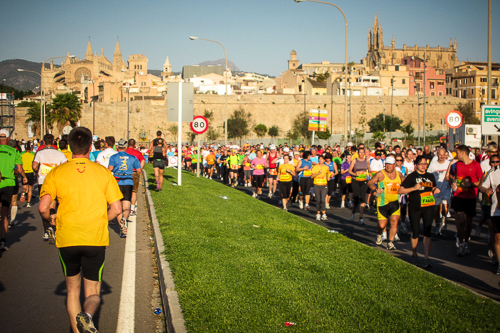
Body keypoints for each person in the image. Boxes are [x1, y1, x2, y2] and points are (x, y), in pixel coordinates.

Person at [39, 127, 122, 333]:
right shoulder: (102, 172)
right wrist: (103, 221)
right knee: (93, 292)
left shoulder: (57, 172)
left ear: (68, 146)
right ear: (91, 146)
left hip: (68, 238)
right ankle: (88, 316)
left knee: (72, 291)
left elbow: (42, 207)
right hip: (95, 237)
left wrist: (51, 221)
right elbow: (117, 208)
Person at [399, 155, 440, 268]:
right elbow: (400, 190)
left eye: (425, 164)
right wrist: (413, 189)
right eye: (421, 164)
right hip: (415, 207)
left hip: (428, 207)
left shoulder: (430, 176)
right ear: (416, 165)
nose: (424, 166)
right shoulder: (412, 177)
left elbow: (431, 187)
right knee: (415, 232)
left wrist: (435, 189)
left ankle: (426, 258)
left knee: (427, 233)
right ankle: (414, 253)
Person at [446, 145, 483, 256]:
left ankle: (466, 242)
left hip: (470, 197)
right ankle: (461, 243)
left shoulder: (476, 165)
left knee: (469, 222)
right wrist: (452, 183)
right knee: (460, 221)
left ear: (463, 152)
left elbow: (480, 182)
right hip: (458, 196)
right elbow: (452, 178)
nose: (456, 155)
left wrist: (471, 184)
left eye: (457, 153)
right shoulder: (457, 165)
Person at [33, 133, 68, 243]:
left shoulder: (39, 153)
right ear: (54, 142)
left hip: (43, 181)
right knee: (54, 204)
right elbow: (66, 166)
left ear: (43, 142)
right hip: (56, 182)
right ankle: (55, 227)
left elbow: (34, 166)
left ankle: (46, 230)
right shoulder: (59, 154)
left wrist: (38, 172)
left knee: (44, 205)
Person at [368, 156, 404, 250]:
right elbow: (370, 182)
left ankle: (390, 242)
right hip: (382, 203)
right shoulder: (380, 174)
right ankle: (379, 234)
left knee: (394, 223)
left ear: (394, 165)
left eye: (390, 164)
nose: (388, 166)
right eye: (387, 164)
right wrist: (375, 189)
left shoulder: (399, 174)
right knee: (382, 225)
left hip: (395, 203)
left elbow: (405, 183)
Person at [108, 139, 141, 238]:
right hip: (128, 182)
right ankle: (125, 219)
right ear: (126, 147)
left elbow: (110, 169)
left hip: (117, 182)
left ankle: (122, 228)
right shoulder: (133, 157)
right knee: (126, 206)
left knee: (118, 206)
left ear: (117, 147)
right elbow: (139, 170)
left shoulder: (113, 157)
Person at [0, 129, 27, 250]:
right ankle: (3, 240)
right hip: (9, 182)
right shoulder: (14, 151)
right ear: (8, 139)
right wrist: (24, 179)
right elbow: (20, 169)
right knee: (4, 213)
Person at [479, 155, 500, 275]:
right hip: (496, 209)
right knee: (497, 237)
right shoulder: (492, 173)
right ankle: (498, 260)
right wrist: (486, 190)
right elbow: (482, 187)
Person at [427, 148, 452, 235]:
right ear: (437, 154)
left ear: (446, 155)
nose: (442, 157)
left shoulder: (449, 163)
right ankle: (438, 225)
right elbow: (428, 176)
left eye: (443, 155)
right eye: (440, 155)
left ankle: (444, 220)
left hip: (446, 188)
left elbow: (453, 175)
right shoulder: (433, 165)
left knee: (445, 208)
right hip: (436, 189)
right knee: (436, 209)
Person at [348, 146, 371, 224]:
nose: (361, 154)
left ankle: (361, 218)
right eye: (360, 152)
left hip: (364, 181)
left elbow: (369, 169)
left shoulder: (367, 161)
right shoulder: (355, 160)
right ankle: (353, 212)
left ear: (364, 153)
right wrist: (355, 174)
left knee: (363, 199)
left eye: (362, 152)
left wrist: (369, 174)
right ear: (358, 153)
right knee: (357, 199)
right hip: (355, 181)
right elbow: (349, 171)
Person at [125, 139, 146, 216]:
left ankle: (123, 208)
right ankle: (132, 209)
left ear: (127, 144)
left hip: (124, 172)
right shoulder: (137, 153)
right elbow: (143, 160)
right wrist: (140, 169)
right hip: (134, 172)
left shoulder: (124, 152)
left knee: (125, 190)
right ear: (134, 145)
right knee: (134, 191)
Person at [311, 155, 330, 221]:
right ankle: (318, 214)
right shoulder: (315, 167)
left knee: (323, 200)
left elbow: (327, 173)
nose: (320, 160)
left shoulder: (326, 167)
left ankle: (324, 214)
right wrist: (318, 173)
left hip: (324, 185)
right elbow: (312, 176)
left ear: (324, 160)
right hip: (317, 185)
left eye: (321, 159)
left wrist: (328, 177)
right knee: (318, 200)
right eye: (319, 159)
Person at [20, 141, 35, 208]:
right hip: (30, 172)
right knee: (30, 188)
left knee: (24, 187)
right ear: (31, 148)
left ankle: (23, 193)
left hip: (24, 172)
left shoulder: (21, 155)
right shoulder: (33, 155)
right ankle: (28, 203)